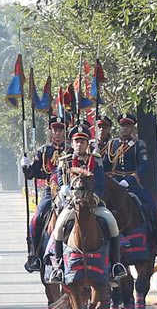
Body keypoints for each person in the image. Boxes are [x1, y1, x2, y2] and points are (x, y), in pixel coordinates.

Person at [51, 125, 124, 283]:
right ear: (72, 142)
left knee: (112, 223)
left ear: (87, 143)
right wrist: (64, 190)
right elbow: (60, 180)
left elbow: (101, 185)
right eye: (76, 141)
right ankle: (58, 267)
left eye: (82, 141)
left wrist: (95, 198)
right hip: (72, 204)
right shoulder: (65, 161)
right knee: (58, 227)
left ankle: (116, 265)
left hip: (93, 204)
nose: (79, 144)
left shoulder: (95, 160)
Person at [101, 112, 157, 254]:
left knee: (152, 205)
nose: (124, 128)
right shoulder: (111, 144)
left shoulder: (139, 144)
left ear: (132, 128)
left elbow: (143, 166)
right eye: (122, 125)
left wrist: (129, 180)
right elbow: (106, 164)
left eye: (128, 126)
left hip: (133, 184)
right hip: (115, 183)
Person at [21, 116, 69, 271]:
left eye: (60, 129)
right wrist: (26, 167)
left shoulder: (72, 149)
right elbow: (32, 174)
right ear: (51, 131)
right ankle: (34, 256)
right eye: (55, 129)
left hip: (70, 191)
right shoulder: (43, 151)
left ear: (65, 131)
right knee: (36, 219)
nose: (58, 133)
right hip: (50, 191)